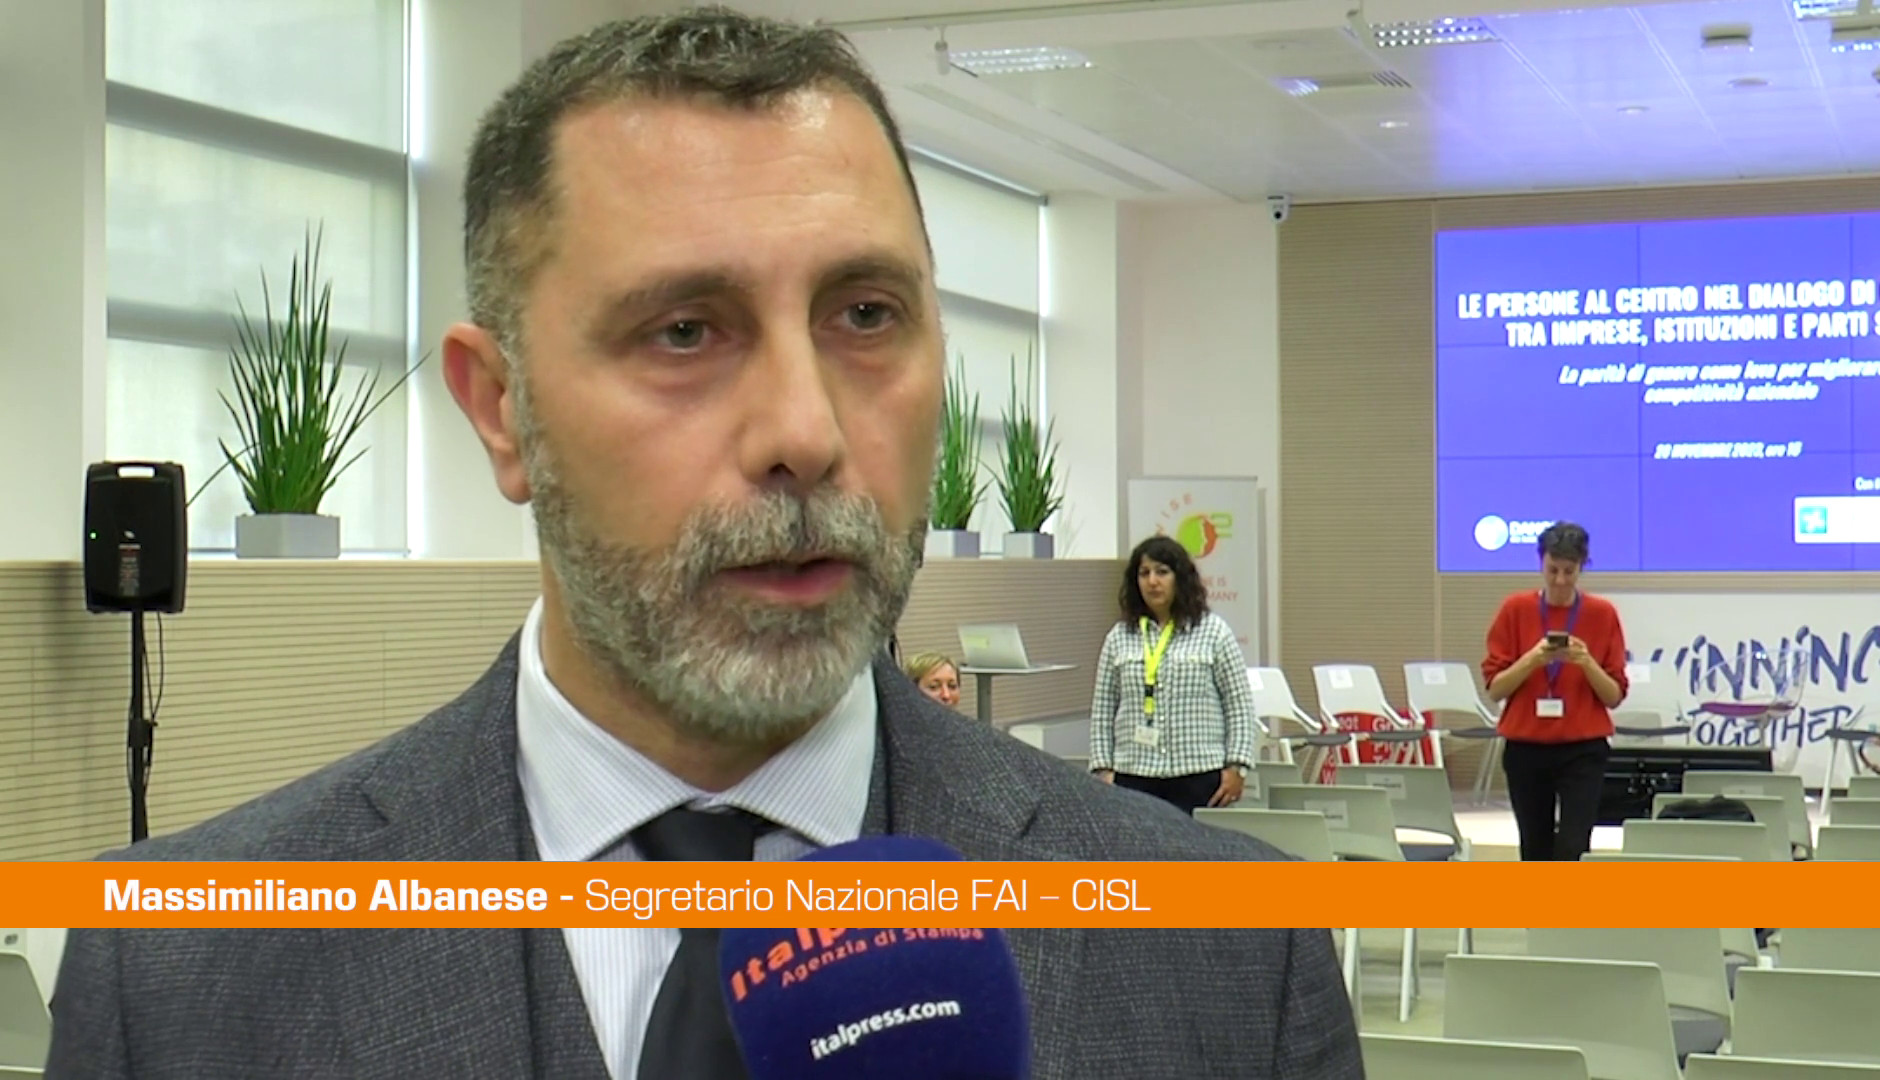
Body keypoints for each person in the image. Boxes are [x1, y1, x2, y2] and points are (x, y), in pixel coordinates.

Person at [45, 10, 1362, 1080]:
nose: (805, 432)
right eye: (684, 331)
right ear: (501, 411)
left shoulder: (1233, 956)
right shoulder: (179, 974)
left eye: (865, 314)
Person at [1482, 522, 1629, 861]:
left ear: (1582, 567)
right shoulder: (1515, 609)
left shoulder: (1602, 614)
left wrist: (1587, 663)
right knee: (1535, 847)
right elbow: (1495, 689)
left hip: (1583, 749)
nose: (1560, 580)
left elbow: (1613, 696)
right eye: (1553, 570)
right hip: (1526, 747)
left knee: (1573, 847)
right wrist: (1532, 660)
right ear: (1541, 563)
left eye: (1569, 571)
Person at [1089, 535, 1259, 815]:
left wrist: (1236, 767)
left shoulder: (1214, 632)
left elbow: (1239, 705)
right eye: (1144, 573)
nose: (1152, 581)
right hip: (1134, 774)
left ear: (1180, 578)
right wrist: (1103, 769)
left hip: (1199, 774)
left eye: (1162, 572)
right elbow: (1103, 709)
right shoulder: (1119, 637)